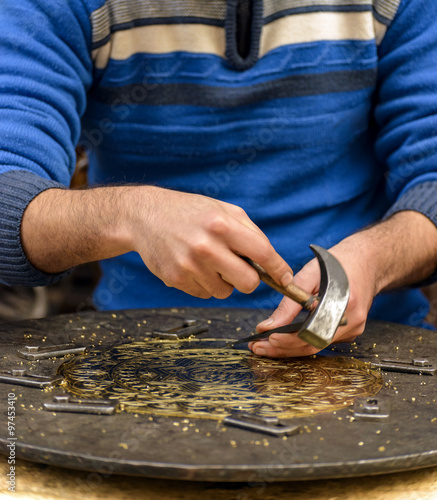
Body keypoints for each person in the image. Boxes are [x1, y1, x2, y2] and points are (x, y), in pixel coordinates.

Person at [0, 0, 436, 358]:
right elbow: (8, 195)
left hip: (376, 351)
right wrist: (129, 215)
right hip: (148, 356)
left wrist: (374, 260)